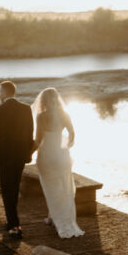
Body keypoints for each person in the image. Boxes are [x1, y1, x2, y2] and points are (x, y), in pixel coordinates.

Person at [0, 80, 35, 238]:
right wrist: (28, 153)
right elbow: (30, 133)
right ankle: (12, 220)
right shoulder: (26, 109)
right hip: (20, 156)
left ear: (5, 92)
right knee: (14, 188)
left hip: (5, 157)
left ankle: (14, 226)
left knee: (7, 190)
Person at [33, 87, 84, 238]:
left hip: (46, 156)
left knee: (50, 189)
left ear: (43, 101)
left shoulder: (41, 117)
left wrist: (28, 153)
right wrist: (66, 145)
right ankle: (56, 218)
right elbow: (72, 134)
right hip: (62, 156)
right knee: (63, 188)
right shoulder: (64, 115)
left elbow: (38, 139)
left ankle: (57, 220)